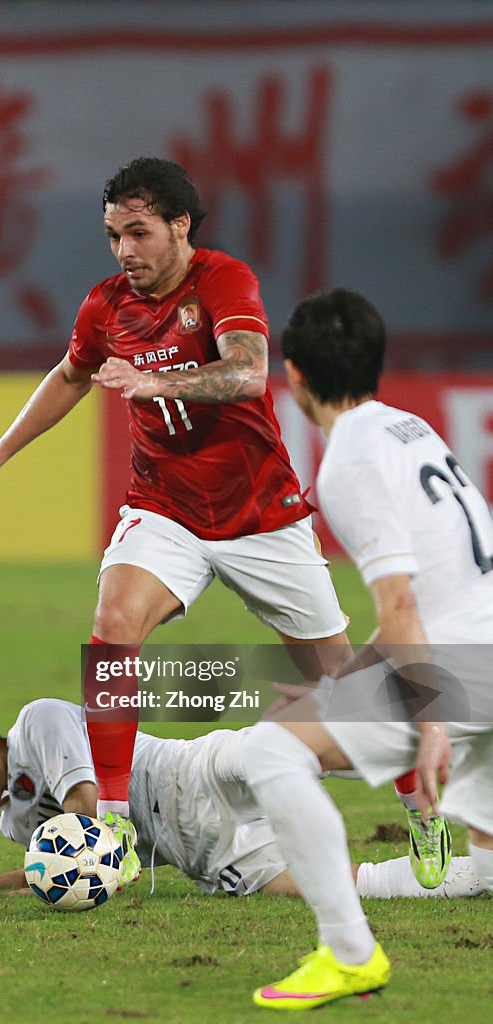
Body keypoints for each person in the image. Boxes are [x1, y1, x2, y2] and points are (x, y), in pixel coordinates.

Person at [0, 157, 352, 877]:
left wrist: (152, 378)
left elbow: (248, 370)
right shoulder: (105, 307)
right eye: (112, 235)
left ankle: (428, 813)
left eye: (138, 232)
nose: (124, 250)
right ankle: (114, 827)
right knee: (114, 623)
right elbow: (70, 375)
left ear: (178, 227)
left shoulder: (223, 280)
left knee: (352, 697)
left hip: (261, 515)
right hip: (166, 508)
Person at [230, 288, 493, 1010]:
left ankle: (348, 954)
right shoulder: (412, 428)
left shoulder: (347, 463)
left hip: (469, 666)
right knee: (483, 864)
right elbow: (437, 589)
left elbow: (401, 601)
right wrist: (339, 690)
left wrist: (430, 723)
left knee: (270, 752)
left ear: (296, 377)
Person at [0, 698, 481, 901]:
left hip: (188, 776)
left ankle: (444, 739)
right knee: (359, 884)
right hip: (206, 857)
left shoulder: (37, 724)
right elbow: (48, 869)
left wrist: (87, 851)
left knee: (299, 750)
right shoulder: (16, 826)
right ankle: (481, 872)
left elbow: (86, 800)